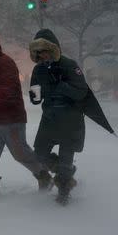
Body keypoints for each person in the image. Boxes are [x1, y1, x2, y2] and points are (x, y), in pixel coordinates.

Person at [0, 29, 51, 196]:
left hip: (13, 118)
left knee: (20, 154)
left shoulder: (6, 63)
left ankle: (43, 175)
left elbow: (8, 90)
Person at [28, 29, 89, 205]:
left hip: (71, 119)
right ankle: (65, 172)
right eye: (38, 53)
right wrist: (34, 96)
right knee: (39, 153)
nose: (42, 56)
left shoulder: (69, 65)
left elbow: (82, 92)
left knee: (65, 157)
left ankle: (63, 193)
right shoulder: (38, 70)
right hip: (49, 118)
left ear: (54, 49)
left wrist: (62, 87)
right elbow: (34, 96)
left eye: (45, 51)